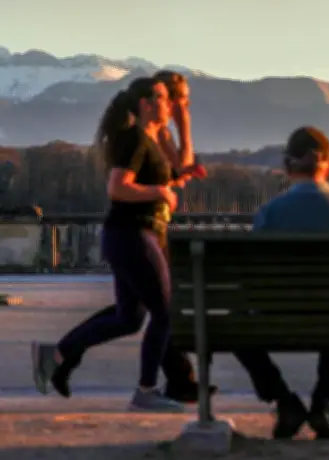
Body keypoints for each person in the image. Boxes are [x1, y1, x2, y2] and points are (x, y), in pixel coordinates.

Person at [31, 71, 216, 404]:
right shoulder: (133, 139)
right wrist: (160, 189)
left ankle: (57, 355)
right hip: (133, 234)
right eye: (163, 98)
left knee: (129, 318)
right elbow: (117, 188)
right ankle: (146, 391)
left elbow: (155, 179)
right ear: (146, 105)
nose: (170, 104)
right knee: (164, 312)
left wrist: (179, 176)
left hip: (135, 235)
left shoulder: (148, 139)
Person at [231, 126, 329, 440]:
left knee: (234, 326)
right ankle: (322, 403)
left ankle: (284, 400)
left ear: (287, 166)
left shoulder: (271, 211)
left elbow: (252, 276)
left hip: (277, 315)